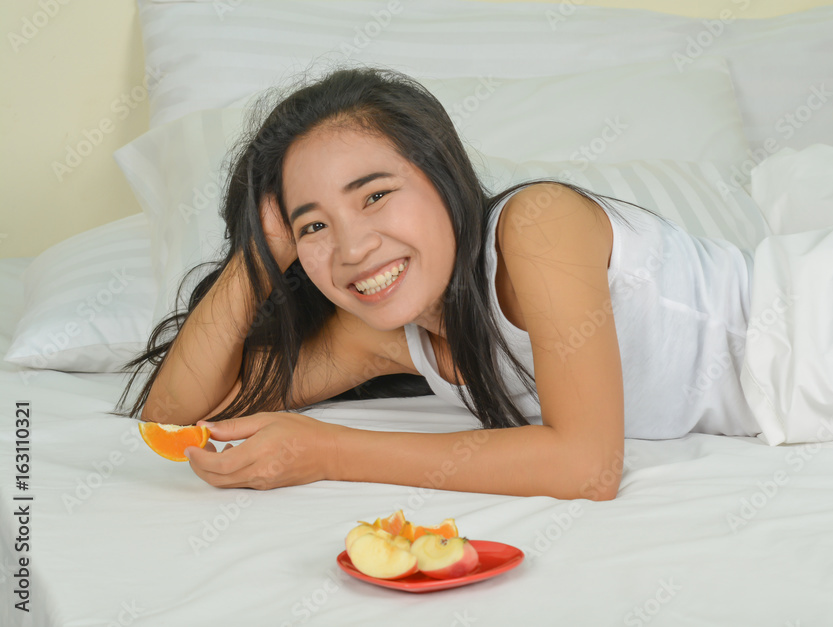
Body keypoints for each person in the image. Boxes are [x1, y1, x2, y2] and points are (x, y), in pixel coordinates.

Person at [112, 64, 759, 500]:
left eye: (374, 195)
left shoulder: (537, 225)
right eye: (313, 226)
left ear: (442, 176)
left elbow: (588, 466)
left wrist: (330, 451)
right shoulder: (382, 335)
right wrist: (261, 253)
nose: (353, 247)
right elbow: (178, 418)